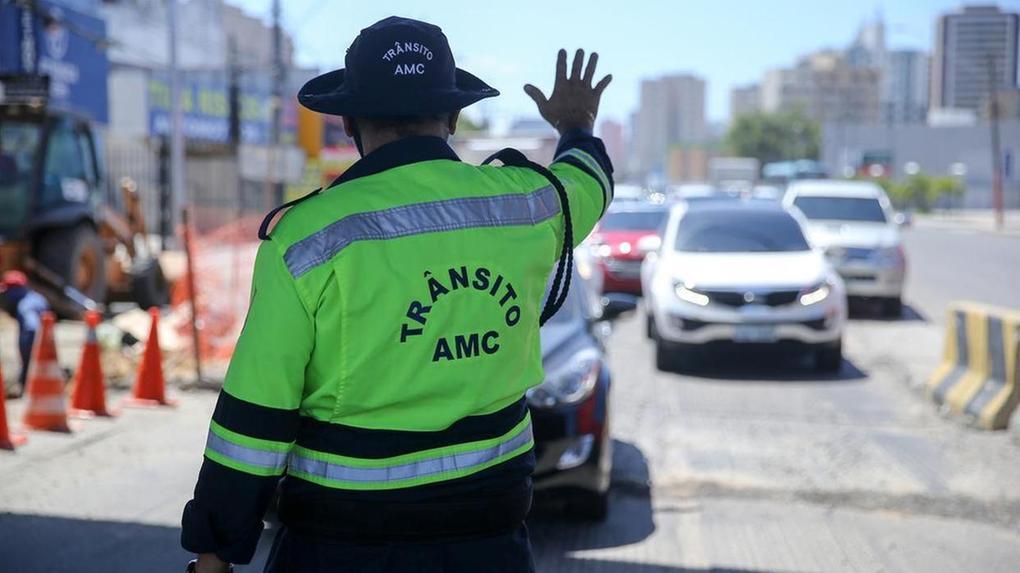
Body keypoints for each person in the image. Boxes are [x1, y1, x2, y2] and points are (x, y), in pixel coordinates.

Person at [181, 16, 613, 573]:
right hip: (490, 547)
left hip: (339, 551)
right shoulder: (528, 204)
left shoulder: (306, 238)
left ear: (348, 122)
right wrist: (576, 125)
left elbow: (254, 419)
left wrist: (215, 555)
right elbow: (591, 182)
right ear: (453, 117)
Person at [0, 271, 49, 398]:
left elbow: (32, 329)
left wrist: (27, 364)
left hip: (38, 354)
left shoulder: (25, 306)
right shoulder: (37, 298)